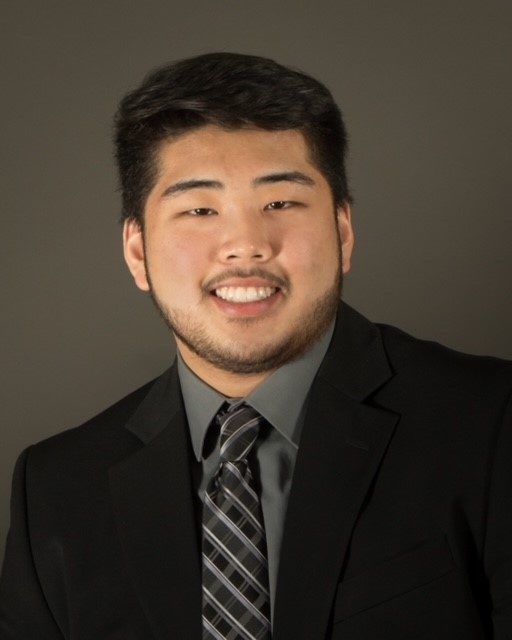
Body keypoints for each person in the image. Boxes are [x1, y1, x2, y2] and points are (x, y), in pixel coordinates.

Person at [1, 51, 511, 640]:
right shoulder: (56, 489)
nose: (245, 245)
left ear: (343, 233)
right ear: (137, 253)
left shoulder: (490, 425)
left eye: (280, 203)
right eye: (199, 209)